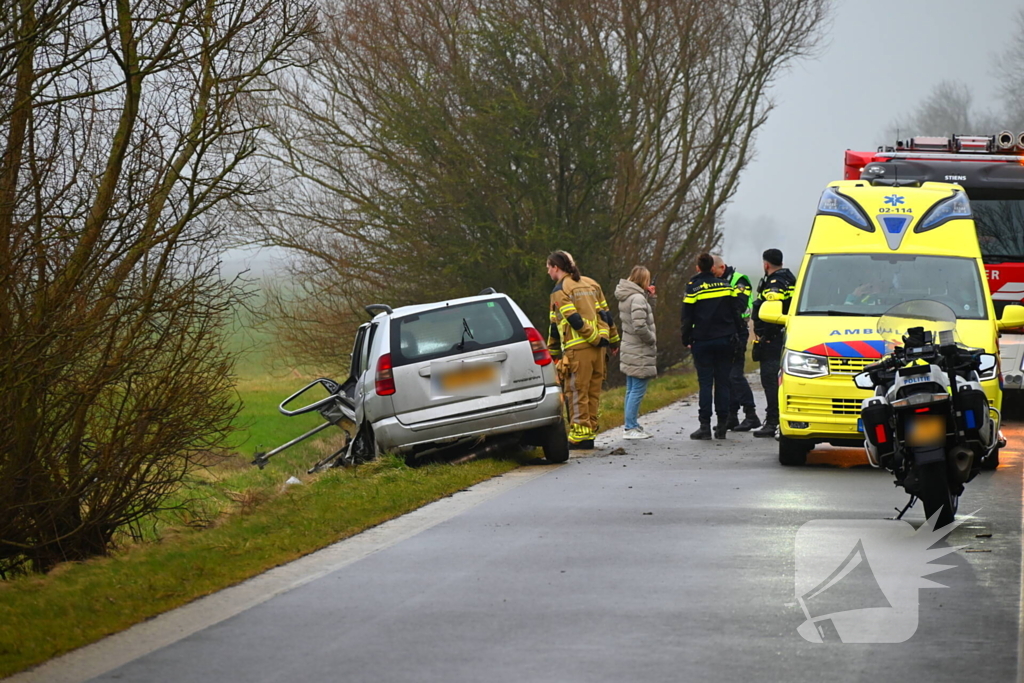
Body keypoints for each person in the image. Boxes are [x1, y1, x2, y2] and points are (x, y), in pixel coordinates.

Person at [546, 251, 620, 449]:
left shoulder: (560, 289)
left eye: (548, 267)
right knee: (593, 391)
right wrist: (612, 340)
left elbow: (567, 320)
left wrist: (552, 353)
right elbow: (606, 314)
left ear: (556, 267)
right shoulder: (592, 283)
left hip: (578, 348)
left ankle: (580, 434)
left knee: (576, 391)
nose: (547, 271)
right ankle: (590, 432)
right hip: (599, 350)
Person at [681, 252, 745, 440]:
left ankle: (704, 426)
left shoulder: (693, 288)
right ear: (713, 267)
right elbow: (736, 312)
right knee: (723, 383)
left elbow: (687, 317)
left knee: (706, 384)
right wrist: (740, 337)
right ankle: (723, 425)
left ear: (698, 268)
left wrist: (686, 339)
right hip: (726, 341)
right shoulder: (726, 286)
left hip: (702, 341)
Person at [712, 254, 761, 432]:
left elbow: (740, 305)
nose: (713, 275)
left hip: (738, 332)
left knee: (735, 376)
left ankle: (751, 414)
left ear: (722, 268)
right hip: (724, 333)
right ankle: (732, 417)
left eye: (714, 271)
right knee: (727, 377)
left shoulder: (739, 280)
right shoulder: (717, 281)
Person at [751, 248, 797, 438]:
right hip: (784, 335)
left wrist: (766, 336)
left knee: (770, 380)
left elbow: (772, 312)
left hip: (773, 338)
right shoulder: (789, 278)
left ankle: (773, 421)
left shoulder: (775, 283)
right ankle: (778, 419)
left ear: (766, 264)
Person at [615, 265, 657, 439]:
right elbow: (640, 325)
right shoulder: (638, 298)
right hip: (639, 349)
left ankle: (631, 424)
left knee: (631, 388)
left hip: (629, 347)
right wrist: (651, 339)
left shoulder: (628, 296)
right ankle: (630, 427)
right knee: (638, 388)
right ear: (643, 280)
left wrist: (650, 297)